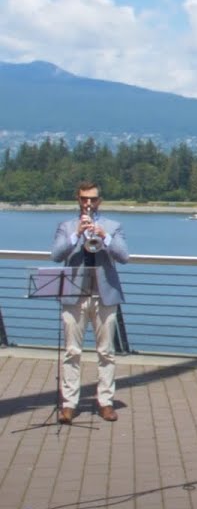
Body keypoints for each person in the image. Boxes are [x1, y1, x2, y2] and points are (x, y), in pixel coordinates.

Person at [50, 181, 129, 423]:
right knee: (71, 353)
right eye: (84, 199)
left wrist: (104, 238)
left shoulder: (112, 226)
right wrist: (76, 235)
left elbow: (124, 256)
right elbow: (56, 255)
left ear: (99, 201)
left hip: (104, 296)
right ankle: (69, 404)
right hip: (74, 296)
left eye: (92, 199)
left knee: (106, 352)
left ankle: (105, 401)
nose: (88, 203)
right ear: (78, 199)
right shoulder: (65, 226)